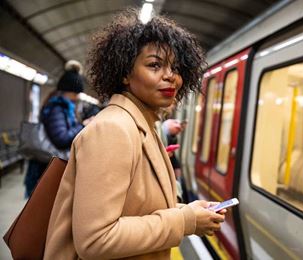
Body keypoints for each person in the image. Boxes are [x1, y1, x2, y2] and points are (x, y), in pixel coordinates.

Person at [44, 8, 226, 259]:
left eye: (176, 67)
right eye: (155, 65)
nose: (171, 76)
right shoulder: (112, 130)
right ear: (125, 74)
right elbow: (96, 239)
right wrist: (184, 221)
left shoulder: (141, 125)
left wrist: (190, 211)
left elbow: (136, 208)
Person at [24, 60, 88, 198]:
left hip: (50, 164)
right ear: (69, 91)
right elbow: (61, 139)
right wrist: (83, 125)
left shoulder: (64, 107)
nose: (77, 97)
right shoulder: (57, 108)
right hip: (47, 167)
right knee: (44, 209)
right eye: (76, 93)